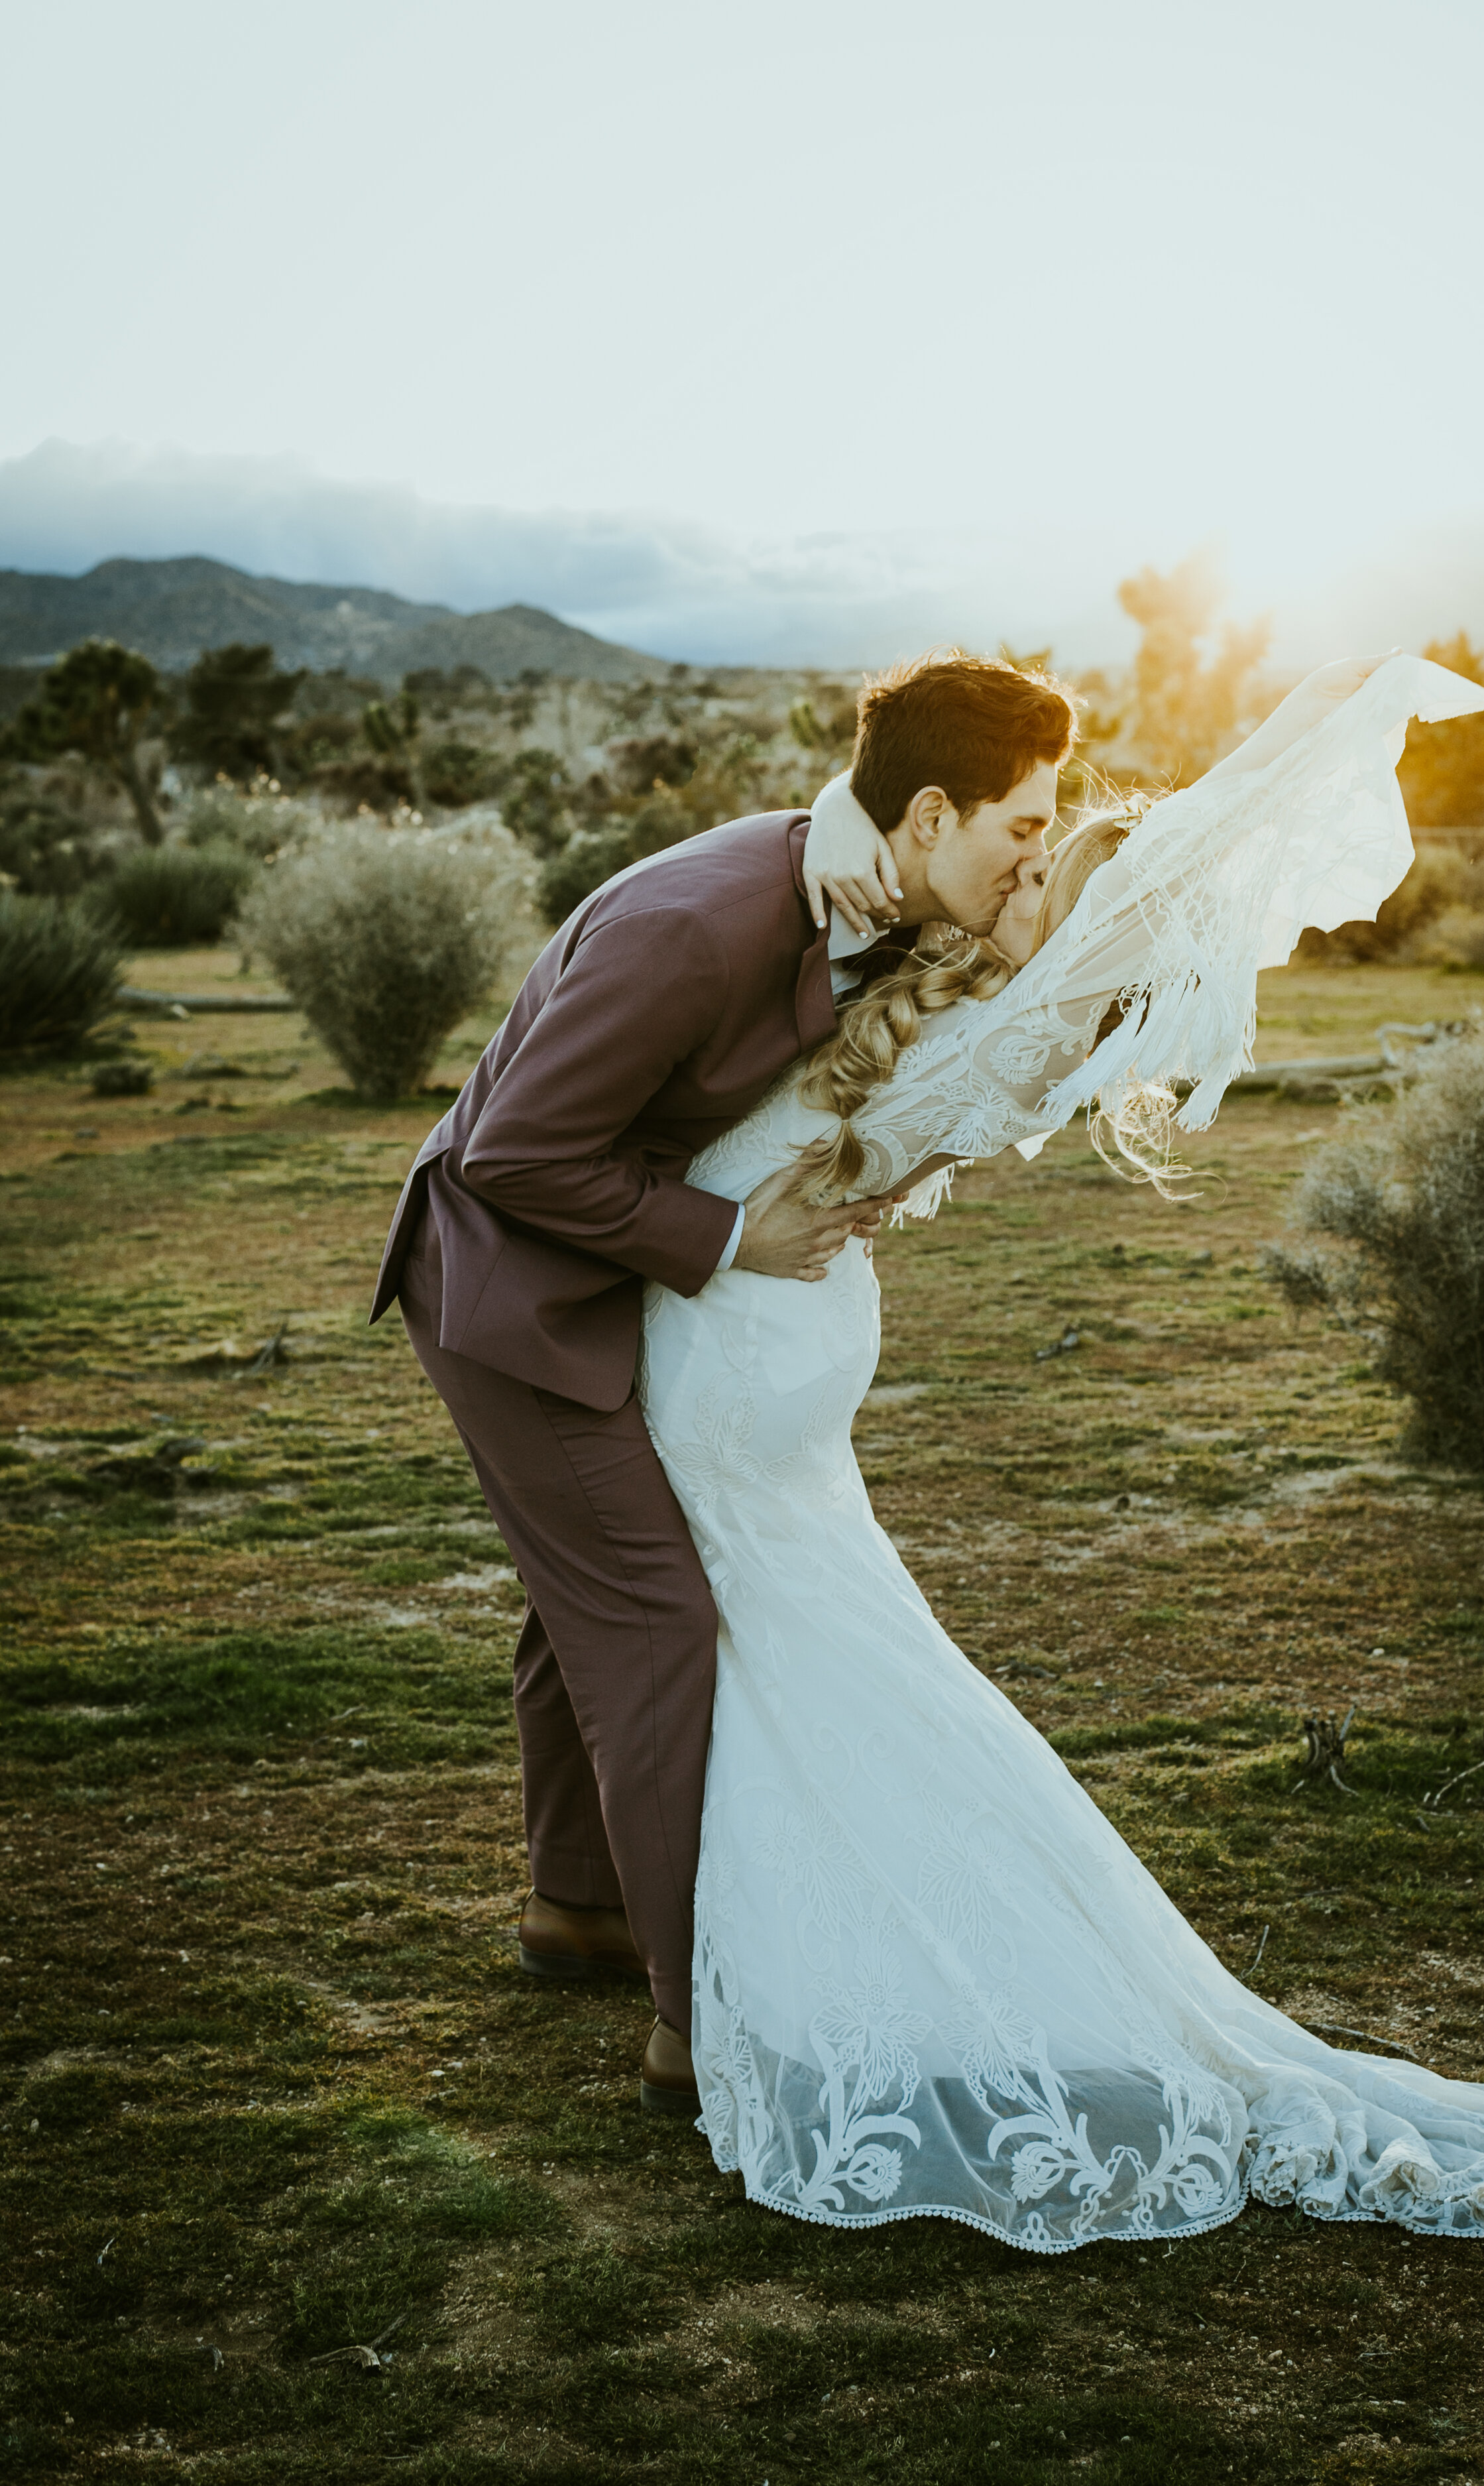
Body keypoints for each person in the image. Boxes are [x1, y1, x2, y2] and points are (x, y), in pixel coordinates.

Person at [636, 651, 1484, 2247]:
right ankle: (707, 1959)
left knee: (789, 1666)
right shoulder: (941, 986)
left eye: (1044, 866)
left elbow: (1155, 877)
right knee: (811, 1658)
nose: (1025, 867)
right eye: (1019, 849)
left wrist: (1323, 737)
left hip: (736, 1356)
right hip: (770, 1345)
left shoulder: (996, 1025)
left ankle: (770, 1991)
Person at [369, 652, 1077, 2108]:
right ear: (931, 813)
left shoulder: (864, 890)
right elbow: (511, 1152)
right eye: (1023, 825)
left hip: (609, 1287)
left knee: (585, 1595)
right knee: (655, 1616)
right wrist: (735, 1237)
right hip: (514, 1303)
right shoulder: (696, 925)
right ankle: (701, 2017)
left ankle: (575, 1906)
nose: (1036, 851)